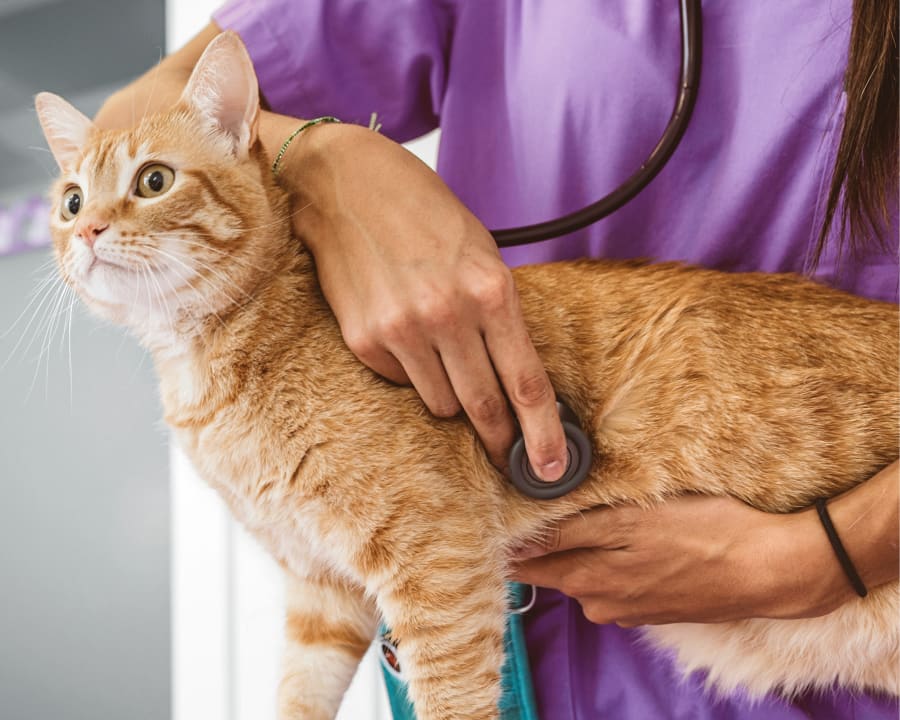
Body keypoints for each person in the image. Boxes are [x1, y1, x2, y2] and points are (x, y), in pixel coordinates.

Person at [95, 1, 899, 717]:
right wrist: (318, 160)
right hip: (516, 664)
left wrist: (837, 549)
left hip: (852, 634)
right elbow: (134, 119)